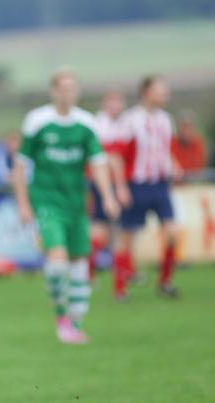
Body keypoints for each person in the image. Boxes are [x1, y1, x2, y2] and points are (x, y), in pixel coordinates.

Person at [12, 68, 118, 344]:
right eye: (63, 87)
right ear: (54, 91)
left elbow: (99, 163)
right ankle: (61, 317)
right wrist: (23, 204)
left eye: (73, 87)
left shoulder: (86, 123)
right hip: (46, 202)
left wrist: (108, 196)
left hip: (76, 203)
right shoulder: (37, 121)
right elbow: (21, 166)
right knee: (57, 262)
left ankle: (76, 322)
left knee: (79, 265)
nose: (68, 92)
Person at [113, 75, 181, 301]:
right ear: (146, 92)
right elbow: (118, 156)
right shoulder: (131, 119)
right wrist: (121, 187)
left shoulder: (166, 120)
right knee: (127, 237)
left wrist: (174, 164)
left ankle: (165, 282)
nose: (165, 93)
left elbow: (165, 150)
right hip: (136, 184)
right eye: (160, 89)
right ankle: (120, 288)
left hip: (160, 184)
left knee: (172, 232)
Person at [88, 89, 131, 282]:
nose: (116, 106)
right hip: (103, 183)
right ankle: (89, 273)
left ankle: (124, 272)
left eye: (119, 101)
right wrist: (120, 187)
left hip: (116, 182)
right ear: (103, 104)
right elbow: (111, 159)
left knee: (120, 231)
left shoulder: (121, 124)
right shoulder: (100, 125)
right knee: (104, 230)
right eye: (111, 102)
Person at [171, 111, 207, 176]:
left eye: (189, 127)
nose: (186, 130)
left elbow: (199, 167)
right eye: (184, 127)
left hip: (193, 182)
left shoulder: (198, 144)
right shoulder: (172, 143)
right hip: (177, 183)